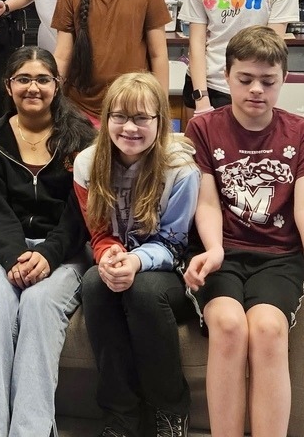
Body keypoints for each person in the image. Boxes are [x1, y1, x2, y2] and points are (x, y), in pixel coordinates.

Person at [183, 26, 304, 437]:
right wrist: (214, 249)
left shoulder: (303, 133)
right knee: (229, 325)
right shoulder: (203, 128)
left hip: (278, 258)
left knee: (268, 330)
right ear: (226, 75)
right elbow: (206, 202)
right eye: (245, 79)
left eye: (268, 81)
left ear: (283, 79)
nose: (256, 90)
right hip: (220, 254)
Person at [0, 46, 96, 437]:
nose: (32, 87)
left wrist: (48, 255)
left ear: (57, 85)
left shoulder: (82, 137)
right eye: (23, 79)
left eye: (42, 79)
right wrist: (17, 256)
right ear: (9, 86)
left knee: (38, 304)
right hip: (8, 247)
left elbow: (81, 211)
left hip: (64, 248)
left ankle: (31, 430)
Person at [73, 72, 200, 437]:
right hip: (119, 260)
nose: (130, 128)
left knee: (142, 291)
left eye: (142, 118)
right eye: (120, 116)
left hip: (170, 269)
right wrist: (110, 256)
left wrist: (135, 261)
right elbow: (98, 232)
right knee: (95, 284)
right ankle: (121, 416)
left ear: (161, 121)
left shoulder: (180, 169)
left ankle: (170, 411)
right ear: (106, 119)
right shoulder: (87, 163)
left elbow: (175, 242)